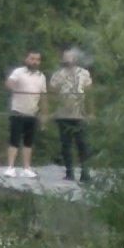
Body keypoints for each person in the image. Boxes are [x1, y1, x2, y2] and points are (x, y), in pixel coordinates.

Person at [2, 50, 47, 179]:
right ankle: (10, 167)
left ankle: (26, 168)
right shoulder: (18, 72)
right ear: (26, 59)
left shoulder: (41, 76)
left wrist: (44, 114)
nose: (34, 62)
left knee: (28, 142)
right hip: (18, 111)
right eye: (32, 59)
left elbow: (43, 96)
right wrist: (13, 85)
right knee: (14, 140)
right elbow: (9, 83)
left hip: (32, 113)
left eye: (37, 59)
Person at [50, 48, 93, 182]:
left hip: (80, 114)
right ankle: (69, 172)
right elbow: (52, 92)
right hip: (63, 114)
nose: (68, 60)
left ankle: (85, 172)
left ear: (75, 59)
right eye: (65, 57)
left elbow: (89, 93)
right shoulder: (58, 74)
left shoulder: (84, 73)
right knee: (66, 144)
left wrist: (91, 111)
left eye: (70, 57)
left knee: (82, 143)